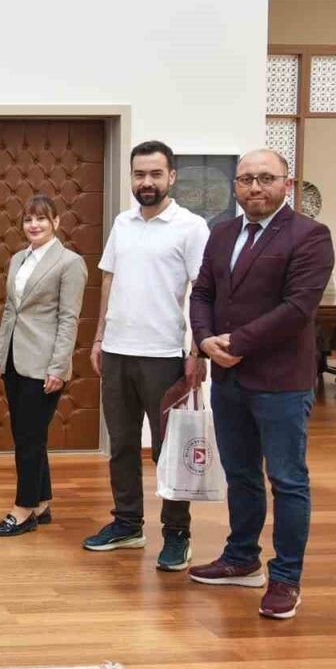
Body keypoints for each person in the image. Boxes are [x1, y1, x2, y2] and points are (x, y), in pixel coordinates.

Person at [188, 149, 334, 620]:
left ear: (286, 184)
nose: (255, 187)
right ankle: (241, 558)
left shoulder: (310, 236)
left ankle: (286, 578)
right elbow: (202, 293)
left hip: (281, 382)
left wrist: (237, 342)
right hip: (229, 377)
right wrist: (205, 340)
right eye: (246, 178)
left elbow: (297, 308)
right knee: (241, 474)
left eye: (266, 178)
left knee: (287, 481)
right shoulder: (221, 233)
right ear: (236, 185)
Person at [82, 140, 209, 572]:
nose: (147, 182)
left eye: (155, 174)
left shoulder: (191, 227)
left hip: (164, 355)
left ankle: (177, 534)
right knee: (120, 446)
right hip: (117, 352)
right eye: (139, 174)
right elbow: (108, 281)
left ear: (171, 176)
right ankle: (127, 524)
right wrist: (99, 338)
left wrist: (197, 349)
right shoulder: (123, 223)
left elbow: (203, 291)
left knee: (167, 450)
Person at [0, 195, 87, 536]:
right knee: (26, 434)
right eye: (29, 219)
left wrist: (58, 367)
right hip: (14, 360)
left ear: (56, 222)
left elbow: (69, 319)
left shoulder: (70, 263)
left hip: (44, 363)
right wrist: (0, 355)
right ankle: (42, 501)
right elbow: (10, 311)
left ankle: (23, 509)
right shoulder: (18, 258)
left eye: (42, 219)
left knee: (29, 438)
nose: (34, 225)